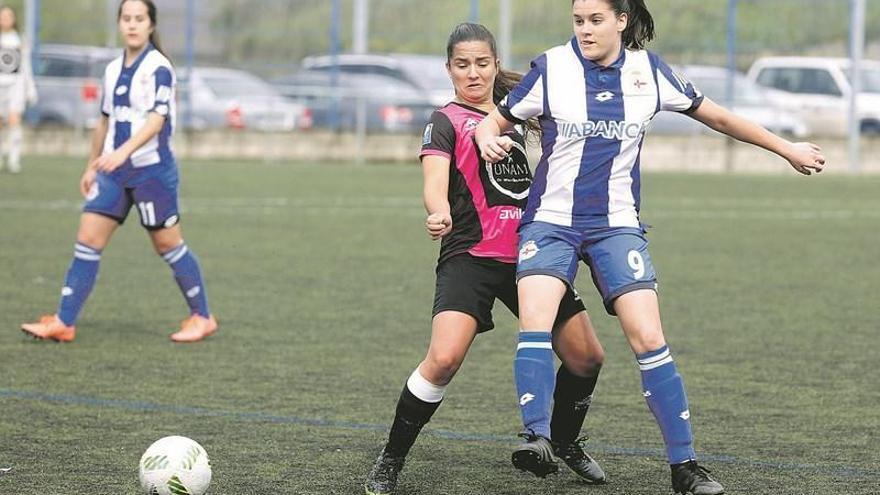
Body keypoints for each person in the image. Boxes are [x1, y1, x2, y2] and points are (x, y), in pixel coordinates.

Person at [475, 1, 826, 493]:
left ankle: (685, 466)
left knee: (649, 338)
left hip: (616, 226)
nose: (585, 30)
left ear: (621, 20)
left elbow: (719, 118)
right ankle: (538, 439)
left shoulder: (649, 73)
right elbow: (496, 119)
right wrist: (486, 136)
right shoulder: (552, 68)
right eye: (579, 21)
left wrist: (787, 148)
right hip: (550, 223)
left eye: (596, 20)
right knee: (535, 322)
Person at [365, 23, 607, 495]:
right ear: (449, 69)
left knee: (587, 358)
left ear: (495, 64)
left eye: (481, 63)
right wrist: (438, 214)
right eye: (462, 65)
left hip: (533, 256)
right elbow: (434, 184)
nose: (472, 73)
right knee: (443, 358)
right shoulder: (445, 120)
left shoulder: (520, 113)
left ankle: (566, 441)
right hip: (470, 256)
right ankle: (390, 459)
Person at [21, 0, 218, 343]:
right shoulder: (112, 70)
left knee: (168, 245)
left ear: (151, 25)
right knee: (87, 239)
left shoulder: (159, 68)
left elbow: (157, 120)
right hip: (113, 174)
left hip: (152, 174)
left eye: (139, 19)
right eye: (126, 18)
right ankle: (64, 322)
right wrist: (92, 164)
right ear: (119, 23)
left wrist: (123, 152)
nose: (132, 25)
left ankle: (202, 316)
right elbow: (104, 121)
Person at [0, 5, 37, 174]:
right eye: (2, 16)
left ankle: (14, 159)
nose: (5, 19)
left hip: (15, 86)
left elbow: (25, 66)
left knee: (14, 120)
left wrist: (30, 89)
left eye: (8, 16)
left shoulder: (20, 40)